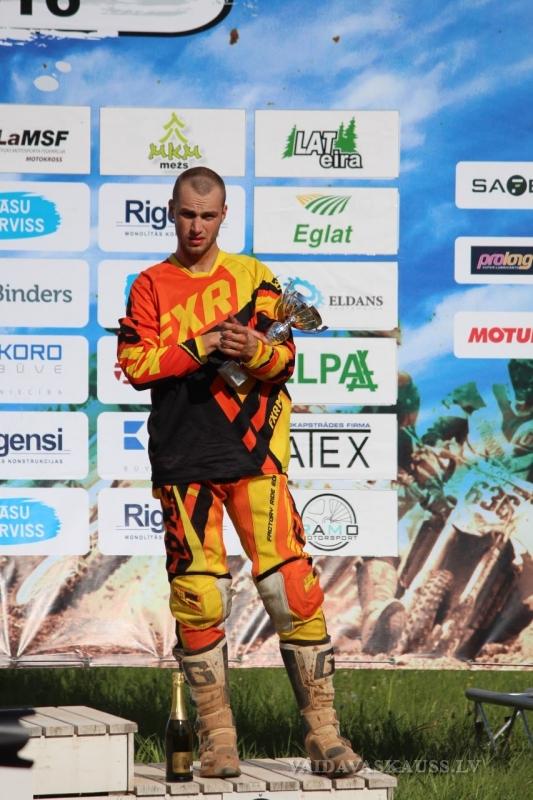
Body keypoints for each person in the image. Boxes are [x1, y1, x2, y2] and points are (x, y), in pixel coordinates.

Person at [117, 167, 361, 779]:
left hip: (255, 458)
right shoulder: (149, 284)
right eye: (186, 214)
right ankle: (217, 738)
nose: (196, 226)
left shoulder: (255, 277)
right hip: (183, 462)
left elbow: (285, 358)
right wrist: (202, 346)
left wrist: (256, 351)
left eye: (208, 215)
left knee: (292, 590)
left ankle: (323, 733)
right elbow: (137, 364)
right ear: (170, 212)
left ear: (224, 215)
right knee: (198, 597)